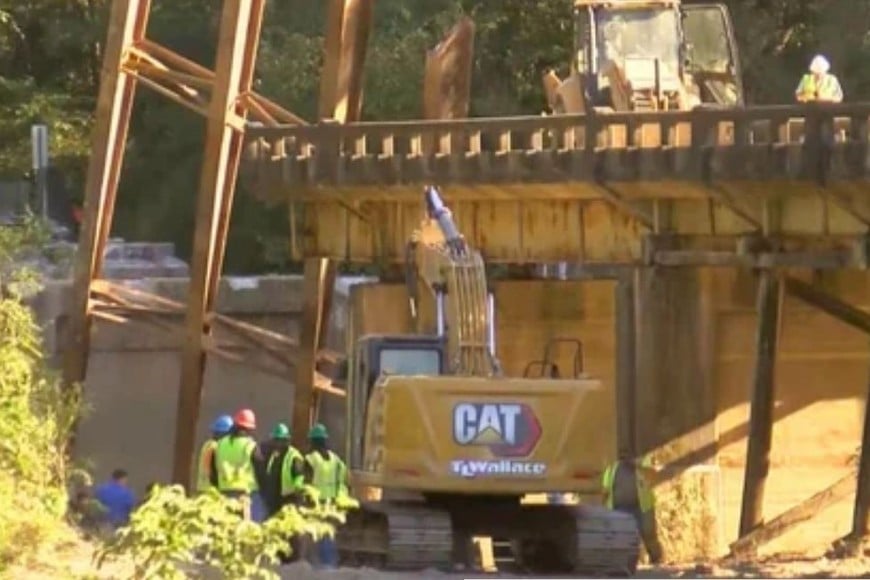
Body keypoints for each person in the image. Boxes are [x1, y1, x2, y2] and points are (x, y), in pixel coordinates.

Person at [601, 453, 663, 565]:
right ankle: (626, 562)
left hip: (642, 506)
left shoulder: (644, 459)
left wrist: (637, 466)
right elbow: (606, 487)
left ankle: (656, 559)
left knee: (648, 533)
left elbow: (652, 476)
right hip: (620, 508)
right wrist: (604, 506)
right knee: (624, 537)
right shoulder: (613, 466)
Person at [304, 423, 352, 569]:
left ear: (312, 441)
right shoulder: (336, 460)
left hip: (315, 503)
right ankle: (330, 562)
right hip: (332, 503)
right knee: (329, 533)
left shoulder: (311, 459)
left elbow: (305, 482)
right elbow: (345, 479)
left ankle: (321, 564)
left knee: (318, 534)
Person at [263, 422, 307, 563]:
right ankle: (278, 556)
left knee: (291, 532)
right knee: (276, 530)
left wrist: (297, 491)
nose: (276, 443)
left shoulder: (293, 456)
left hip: (290, 499)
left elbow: (299, 475)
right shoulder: (275, 456)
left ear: (285, 441)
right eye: (275, 440)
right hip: (276, 500)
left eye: (278, 440)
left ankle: (292, 559)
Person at [214, 408, 265, 521]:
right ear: (250, 428)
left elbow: (214, 469)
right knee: (248, 528)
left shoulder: (221, 443)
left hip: (224, 492)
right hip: (245, 495)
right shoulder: (250, 445)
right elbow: (261, 469)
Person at [197, 414, 234, 494]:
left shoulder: (207, 444)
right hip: (211, 491)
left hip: (202, 488)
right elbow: (214, 471)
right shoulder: (216, 447)